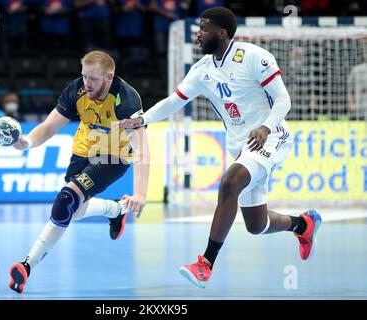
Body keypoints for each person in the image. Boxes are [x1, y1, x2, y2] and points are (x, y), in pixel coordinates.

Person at [119, 7, 322, 289]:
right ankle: (303, 225)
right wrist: (143, 118)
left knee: (229, 184)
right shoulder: (201, 70)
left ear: (222, 33)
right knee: (256, 225)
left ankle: (205, 264)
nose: (198, 34)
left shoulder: (254, 56)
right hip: (240, 146)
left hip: (271, 137)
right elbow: (174, 101)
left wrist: (265, 126)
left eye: (203, 29)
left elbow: (283, 100)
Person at [8, 51, 150, 293]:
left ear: (109, 77)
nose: (87, 83)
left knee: (65, 202)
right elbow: (49, 127)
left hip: (113, 155)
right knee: (74, 210)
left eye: (93, 78)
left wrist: (140, 194)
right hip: (84, 148)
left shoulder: (126, 101)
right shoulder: (76, 90)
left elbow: (143, 152)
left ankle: (27, 265)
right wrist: (27, 142)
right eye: (84, 76)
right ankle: (116, 210)